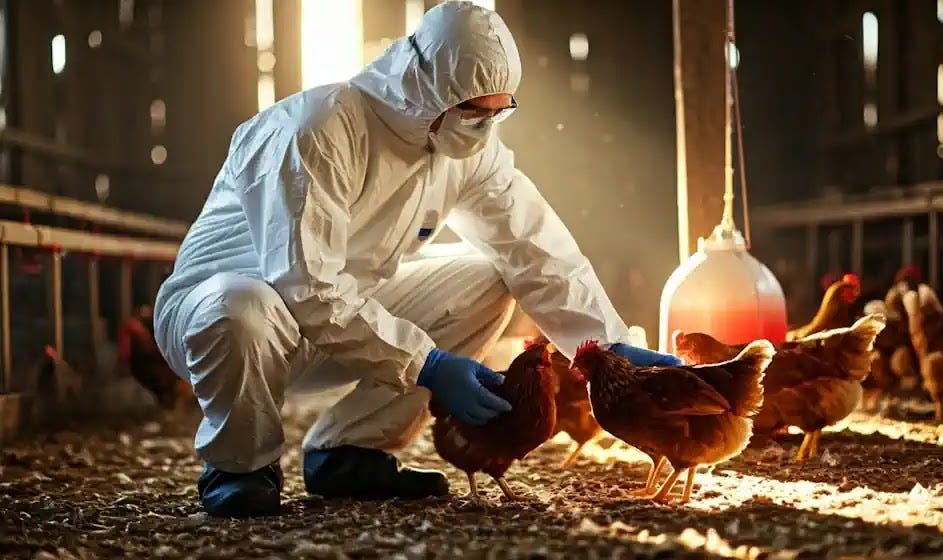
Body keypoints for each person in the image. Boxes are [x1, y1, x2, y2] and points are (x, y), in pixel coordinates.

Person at [153, 1, 680, 518]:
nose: (485, 126)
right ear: (425, 86)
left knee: (491, 275)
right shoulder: (317, 130)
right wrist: (425, 364)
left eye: (500, 112)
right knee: (241, 308)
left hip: (336, 313)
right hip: (227, 319)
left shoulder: (467, 147)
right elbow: (304, 286)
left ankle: (351, 451)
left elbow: (534, 248)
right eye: (475, 110)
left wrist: (611, 347)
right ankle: (240, 466)